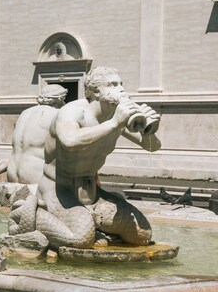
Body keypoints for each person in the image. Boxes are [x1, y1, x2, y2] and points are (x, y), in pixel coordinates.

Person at [12, 67, 159, 248]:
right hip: (58, 190)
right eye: (113, 85)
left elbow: (152, 146)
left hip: (92, 194)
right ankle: (27, 214)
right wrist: (113, 124)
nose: (121, 89)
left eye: (121, 84)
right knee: (80, 238)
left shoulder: (118, 116)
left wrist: (148, 130)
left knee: (142, 235)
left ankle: (90, 221)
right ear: (96, 91)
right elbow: (70, 140)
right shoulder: (73, 111)